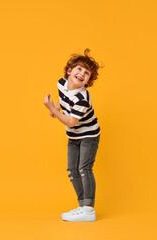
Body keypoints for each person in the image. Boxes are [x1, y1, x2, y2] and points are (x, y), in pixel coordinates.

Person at [43, 49, 102, 222]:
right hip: (74, 136)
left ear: (88, 81)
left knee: (84, 169)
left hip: (89, 135)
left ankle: (89, 209)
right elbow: (63, 96)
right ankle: (82, 206)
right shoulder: (61, 83)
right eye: (79, 69)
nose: (82, 74)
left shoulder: (82, 99)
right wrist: (57, 107)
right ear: (69, 70)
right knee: (72, 170)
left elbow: (70, 122)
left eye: (87, 73)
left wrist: (52, 109)